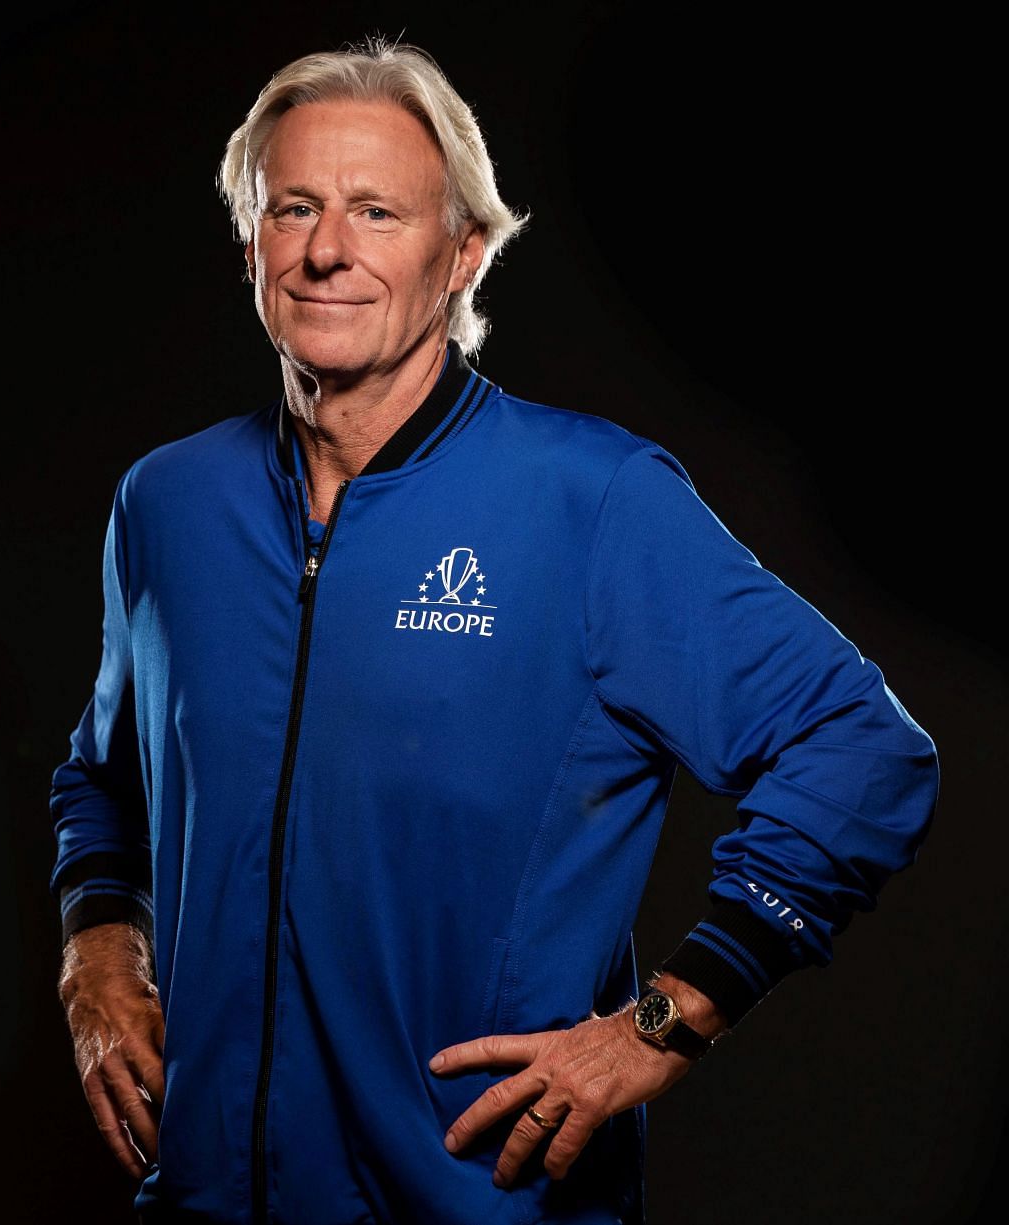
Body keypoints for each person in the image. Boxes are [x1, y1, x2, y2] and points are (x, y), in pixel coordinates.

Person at [50, 40, 936, 1225]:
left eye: (376, 211)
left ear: (464, 250)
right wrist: (97, 956)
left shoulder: (592, 502)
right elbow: (105, 770)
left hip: (478, 1201)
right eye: (294, 207)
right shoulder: (167, 504)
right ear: (248, 237)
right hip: (206, 1196)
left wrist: (669, 1019)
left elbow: (863, 748)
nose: (327, 249)